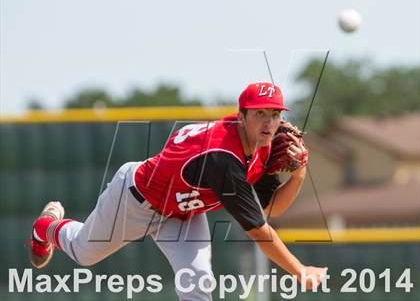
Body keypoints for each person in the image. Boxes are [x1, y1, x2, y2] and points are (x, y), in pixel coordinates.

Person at [29, 82, 327, 300]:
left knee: (198, 283)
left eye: (275, 114)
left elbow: (270, 208)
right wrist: (300, 270)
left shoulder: (263, 148)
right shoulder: (223, 158)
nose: (269, 123)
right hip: (137, 199)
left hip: (182, 214)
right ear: (241, 117)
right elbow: (260, 230)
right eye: (260, 113)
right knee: (83, 252)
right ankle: (46, 227)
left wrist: (298, 174)